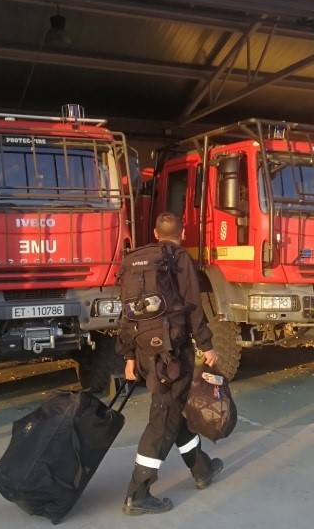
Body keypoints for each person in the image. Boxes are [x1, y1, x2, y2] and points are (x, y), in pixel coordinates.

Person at [116, 211, 222, 516]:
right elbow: (193, 308)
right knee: (163, 419)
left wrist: (128, 356)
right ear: (183, 231)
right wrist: (207, 346)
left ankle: (201, 469)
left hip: (146, 353)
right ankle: (138, 493)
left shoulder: (136, 262)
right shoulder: (179, 259)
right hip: (172, 355)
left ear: (154, 231)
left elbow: (126, 314)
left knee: (173, 408)